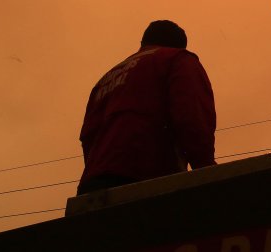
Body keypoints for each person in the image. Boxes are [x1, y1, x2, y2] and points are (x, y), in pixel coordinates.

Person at [77, 20, 216, 195]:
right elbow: (192, 117)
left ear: (143, 43)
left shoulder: (105, 80)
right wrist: (207, 172)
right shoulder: (177, 59)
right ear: (179, 46)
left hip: (92, 187)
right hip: (148, 177)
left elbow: (88, 135)